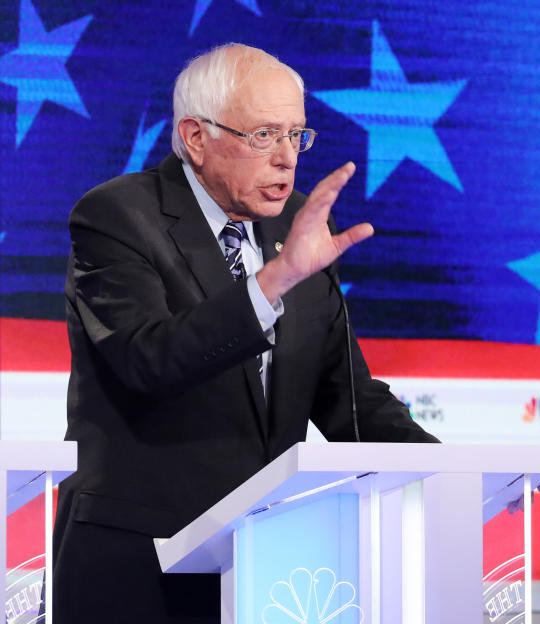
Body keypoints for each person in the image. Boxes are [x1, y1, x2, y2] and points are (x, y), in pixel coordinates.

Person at [48, 43, 438, 623]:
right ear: (196, 137)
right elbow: (149, 359)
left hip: (268, 568)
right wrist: (273, 282)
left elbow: (345, 397)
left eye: (296, 136)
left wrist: (448, 472)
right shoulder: (116, 217)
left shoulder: (300, 224)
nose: (286, 159)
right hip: (137, 565)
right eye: (264, 135)